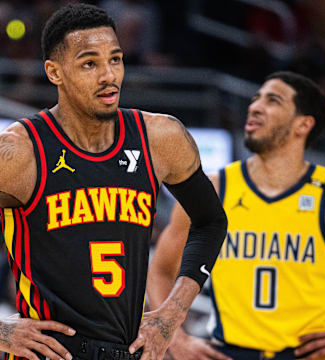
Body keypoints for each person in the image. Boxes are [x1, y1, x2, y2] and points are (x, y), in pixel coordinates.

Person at [0, 3, 227, 360]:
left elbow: (211, 220)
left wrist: (172, 313)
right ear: (54, 72)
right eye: (90, 63)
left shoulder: (159, 138)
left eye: (116, 59)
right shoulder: (19, 153)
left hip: (127, 351)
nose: (108, 75)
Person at [147, 71, 325, 360]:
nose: (255, 107)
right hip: (230, 351)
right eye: (255, 98)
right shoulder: (213, 189)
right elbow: (160, 269)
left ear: (303, 124)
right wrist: (176, 338)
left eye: (273, 100)